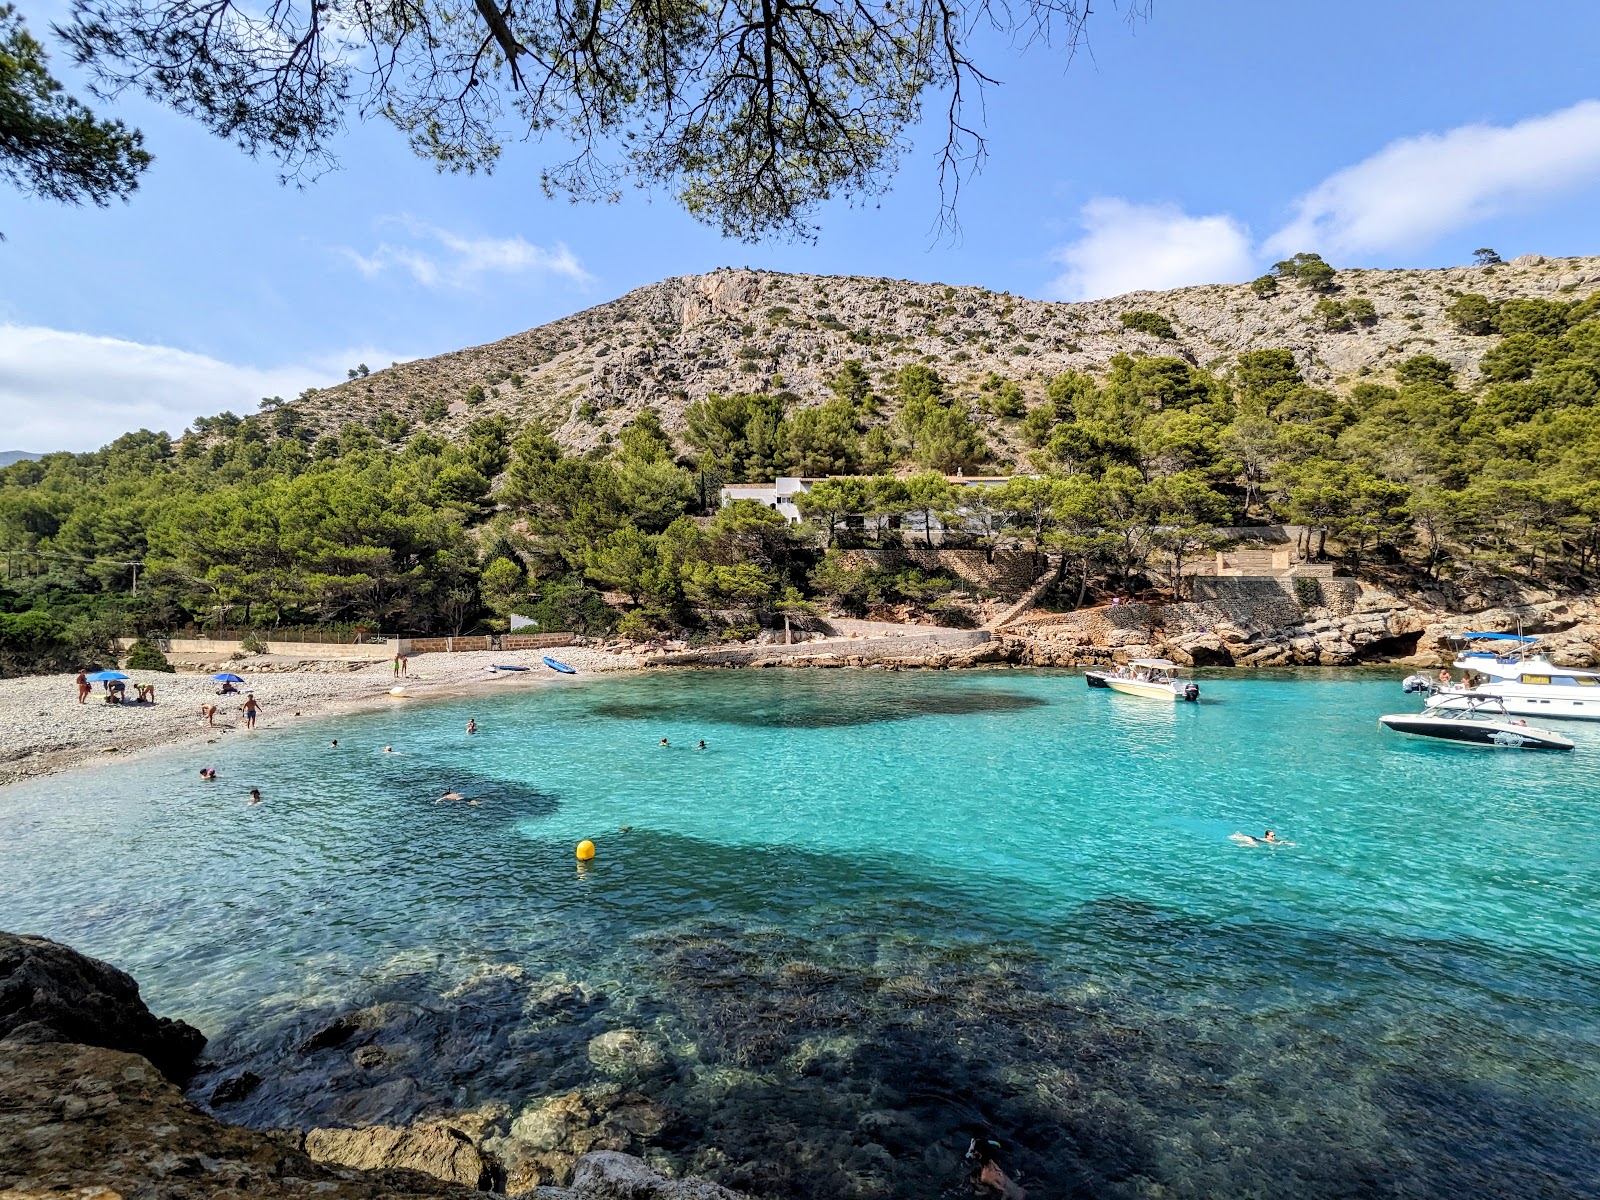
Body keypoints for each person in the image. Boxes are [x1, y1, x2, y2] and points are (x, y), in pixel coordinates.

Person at [965, 1135, 1026, 1200]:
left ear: (978, 1156)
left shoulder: (985, 1176)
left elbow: (1006, 1193)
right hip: (1022, 1192)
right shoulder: (993, 1162)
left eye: (972, 1151)